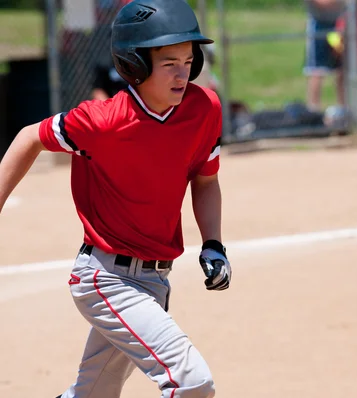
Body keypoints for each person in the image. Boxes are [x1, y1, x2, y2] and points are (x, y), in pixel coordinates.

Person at [0, 1, 230, 397]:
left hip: (156, 281)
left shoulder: (203, 108)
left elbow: (205, 181)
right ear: (134, 65)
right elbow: (29, 137)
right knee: (191, 381)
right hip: (105, 278)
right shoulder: (102, 121)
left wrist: (214, 244)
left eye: (189, 60)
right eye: (169, 62)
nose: (183, 73)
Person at [303, 0, 346, 110]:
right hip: (319, 25)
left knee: (341, 68)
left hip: (336, 26)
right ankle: (313, 110)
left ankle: (343, 108)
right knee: (317, 70)